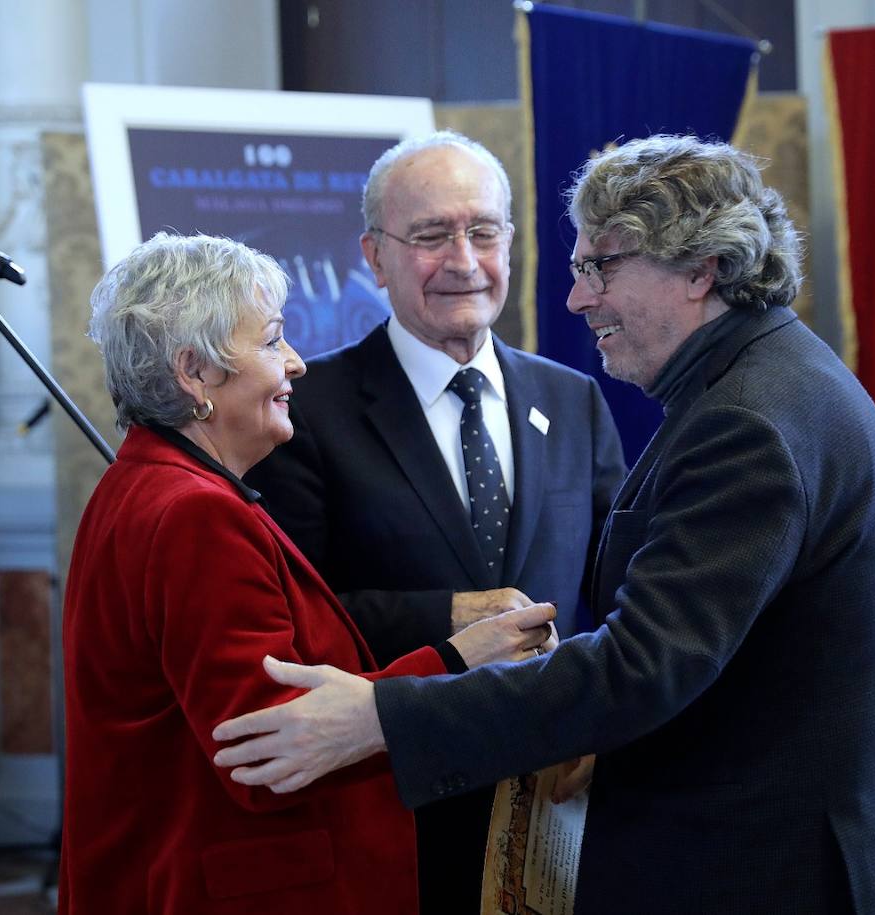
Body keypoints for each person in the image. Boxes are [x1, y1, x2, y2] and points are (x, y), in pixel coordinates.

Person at [213, 135, 875, 913]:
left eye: (602, 267)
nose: (577, 298)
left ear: (701, 269)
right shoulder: (758, 387)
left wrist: (382, 714)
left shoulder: (748, 421)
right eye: (578, 268)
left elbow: (642, 664)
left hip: (781, 870)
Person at [57, 233, 556, 914]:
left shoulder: (144, 482)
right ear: (193, 372)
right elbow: (269, 751)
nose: (294, 362)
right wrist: (455, 660)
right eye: (270, 341)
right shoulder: (194, 514)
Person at [243, 130, 625, 912]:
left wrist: (605, 715)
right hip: (395, 804)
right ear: (375, 257)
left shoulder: (573, 398)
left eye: (484, 231)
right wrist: (453, 618)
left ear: (511, 246)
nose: (463, 259)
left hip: (550, 801)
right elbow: (295, 614)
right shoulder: (308, 412)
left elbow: (622, 586)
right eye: (430, 235)